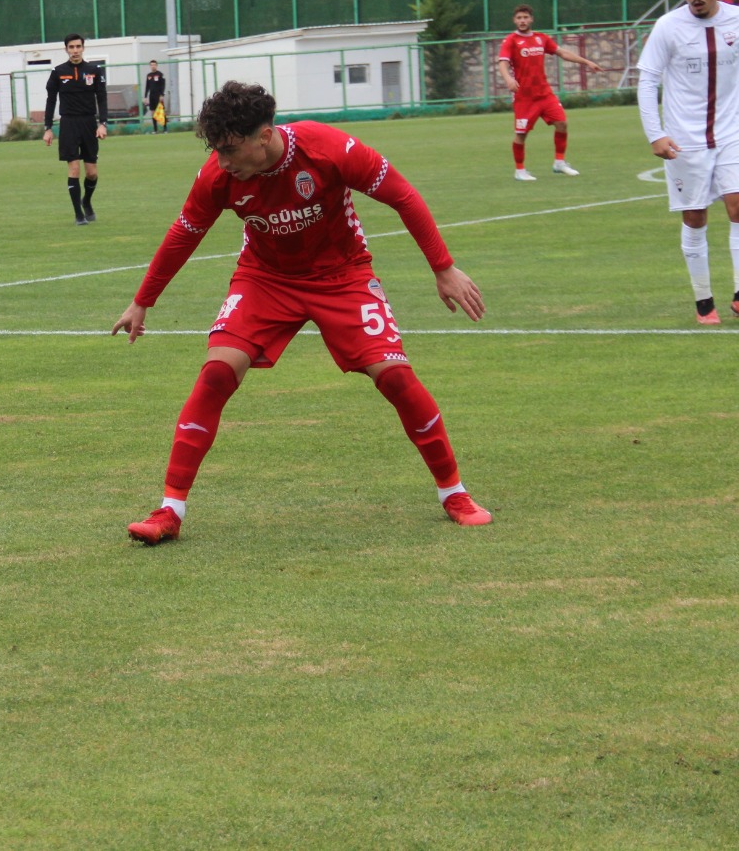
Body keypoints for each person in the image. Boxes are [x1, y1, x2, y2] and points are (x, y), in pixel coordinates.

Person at [112, 80, 493, 545]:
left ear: (265, 136)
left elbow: (403, 195)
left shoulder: (328, 148)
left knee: (395, 377)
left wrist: (444, 268)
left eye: (230, 149)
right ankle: (169, 511)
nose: (222, 161)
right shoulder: (218, 175)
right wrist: (142, 300)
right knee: (215, 374)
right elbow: (183, 233)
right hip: (264, 279)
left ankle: (454, 493)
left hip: (344, 276)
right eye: (216, 150)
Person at [637, 0, 739, 326]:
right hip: (685, 140)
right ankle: (704, 301)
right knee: (695, 215)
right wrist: (656, 133)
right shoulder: (668, 26)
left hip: (732, 132)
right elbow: (648, 79)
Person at [496, 5, 602, 180]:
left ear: (531, 19)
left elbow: (562, 53)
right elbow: (502, 62)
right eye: (519, 18)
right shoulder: (511, 40)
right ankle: (520, 171)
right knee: (521, 134)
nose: (522, 21)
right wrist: (508, 78)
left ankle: (559, 163)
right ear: (514, 20)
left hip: (544, 94)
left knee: (562, 123)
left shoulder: (541, 38)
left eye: (525, 17)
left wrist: (586, 62)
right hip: (525, 97)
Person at [43, 33, 107, 225]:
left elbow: (102, 98)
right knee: (74, 169)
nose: (75, 50)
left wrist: (102, 123)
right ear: (66, 49)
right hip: (68, 124)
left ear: (83, 48)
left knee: (92, 172)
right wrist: (48, 128)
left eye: (78, 46)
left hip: (88, 123)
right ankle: (79, 215)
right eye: (71, 47)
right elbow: (51, 100)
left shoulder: (94, 70)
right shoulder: (58, 72)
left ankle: (86, 201)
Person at [144, 59, 167, 133]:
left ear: (156, 66)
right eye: (151, 65)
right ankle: (155, 130)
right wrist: (145, 97)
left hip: (158, 96)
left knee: (161, 112)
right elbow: (147, 86)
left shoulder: (160, 74)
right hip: (152, 96)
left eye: (154, 65)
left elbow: (163, 85)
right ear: (150, 66)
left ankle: (165, 129)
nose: (153, 66)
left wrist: (161, 95)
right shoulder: (149, 75)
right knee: (153, 113)